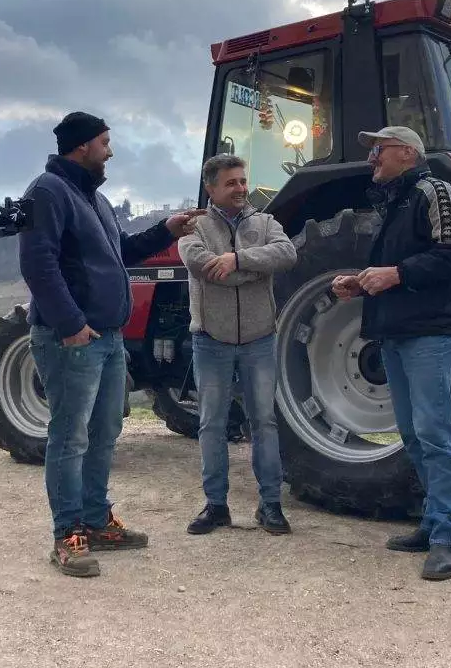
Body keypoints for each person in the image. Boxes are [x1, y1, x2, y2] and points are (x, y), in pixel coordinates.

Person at [18, 111, 203, 578]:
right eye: (104, 142)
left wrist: (168, 230)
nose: (110, 151)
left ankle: (97, 521)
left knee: (105, 433)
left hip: (107, 338)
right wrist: (70, 324)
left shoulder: (94, 199)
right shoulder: (47, 192)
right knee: (69, 436)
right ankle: (68, 535)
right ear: (82, 147)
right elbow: (38, 266)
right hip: (73, 339)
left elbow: (121, 250)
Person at [331, 125, 451, 582]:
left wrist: (395, 274)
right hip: (395, 332)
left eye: (379, 150)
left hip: (429, 333)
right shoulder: (394, 205)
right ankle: (432, 522)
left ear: (407, 154)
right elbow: (397, 269)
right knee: (412, 434)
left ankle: (449, 536)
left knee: (434, 433)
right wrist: (361, 283)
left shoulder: (436, 190)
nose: (372, 158)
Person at [178, 155, 297, 536]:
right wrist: (253, 271)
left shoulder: (266, 222)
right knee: (211, 423)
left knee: (264, 421)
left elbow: (288, 254)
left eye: (243, 181)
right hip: (210, 338)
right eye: (231, 183)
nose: (242, 189)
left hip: (260, 338)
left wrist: (237, 259)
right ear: (211, 188)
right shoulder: (192, 227)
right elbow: (202, 267)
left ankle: (271, 506)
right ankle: (216, 506)